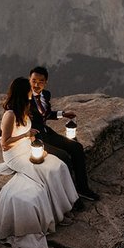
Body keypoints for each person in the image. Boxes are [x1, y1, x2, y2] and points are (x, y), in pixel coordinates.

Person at [0, 77, 78, 248]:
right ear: (23, 93)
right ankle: (55, 216)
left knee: (57, 165)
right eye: (29, 89)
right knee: (44, 172)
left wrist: (31, 139)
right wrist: (26, 135)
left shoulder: (24, 109)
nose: (33, 91)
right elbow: (5, 143)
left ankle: (62, 211)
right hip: (14, 155)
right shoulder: (10, 114)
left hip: (27, 148)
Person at [28, 65, 100, 201]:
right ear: (29, 80)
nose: (37, 84)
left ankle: (83, 188)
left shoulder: (46, 94)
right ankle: (70, 195)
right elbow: (16, 118)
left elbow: (46, 114)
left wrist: (63, 114)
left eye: (40, 81)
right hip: (33, 139)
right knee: (63, 157)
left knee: (76, 147)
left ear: (45, 82)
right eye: (34, 81)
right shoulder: (24, 98)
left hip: (46, 132)